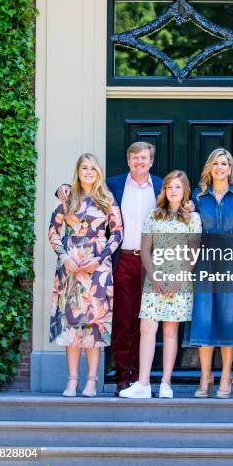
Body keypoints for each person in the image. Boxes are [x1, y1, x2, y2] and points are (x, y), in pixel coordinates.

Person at [56, 142, 162, 396]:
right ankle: (123, 377)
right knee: (123, 320)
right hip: (121, 259)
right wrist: (61, 189)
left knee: (146, 321)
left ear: (151, 161)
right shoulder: (113, 185)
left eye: (144, 158)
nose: (139, 162)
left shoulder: (161, 186)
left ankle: (141, 378)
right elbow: (81, 192)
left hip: (153, 261)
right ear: (128, 161)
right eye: (135, 158)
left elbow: (180, 202)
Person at [120, 170, 202, 399]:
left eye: (177, 187)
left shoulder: (193, 218)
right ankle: (143, 383)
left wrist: (178, 279)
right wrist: (154, 278)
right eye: (169, 187)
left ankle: (166, 383)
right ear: (164, 190)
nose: (172, 191)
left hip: (180, 281)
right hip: (154, 278)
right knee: (147, 328)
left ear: (184, 189)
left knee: (170, 330)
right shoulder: (154, 215)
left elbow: (193, 253)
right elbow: (145, 250)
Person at [48, 153, 123, 397]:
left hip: (98, 268)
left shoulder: (107, 198)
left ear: (98, 172)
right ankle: (72, 380)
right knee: (72, 325)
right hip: (71, 266)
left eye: (93, 168)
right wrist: (64, 257)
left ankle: (91, 381)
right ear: (78, 171)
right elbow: (54, 231)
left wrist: (100, 258)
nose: (88, 171)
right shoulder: (67, 197)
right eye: (84, 167)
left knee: (95, 325)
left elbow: (118, 233)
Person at [186, 148, 233, 399]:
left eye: (224, 163)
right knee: (203, 315)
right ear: (209, 168)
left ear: (230, 167)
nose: (220, 168)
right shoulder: (198, 196)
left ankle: (225, 375)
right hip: (204, 258)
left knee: (229, 315)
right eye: (216, 164)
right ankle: (205, 376)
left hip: (231, 258)